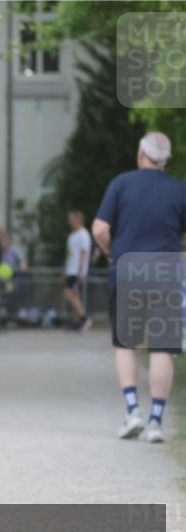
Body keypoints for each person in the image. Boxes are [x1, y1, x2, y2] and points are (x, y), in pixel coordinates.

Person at [92, 131, 186, 443]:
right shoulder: (179, 190)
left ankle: (132, 411)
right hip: (166, 274)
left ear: (140, 154)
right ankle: (156, 421)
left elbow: (100, 229)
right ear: (166, 160)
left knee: (126, 344)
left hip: (128, 270)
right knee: (162, 348)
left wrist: (111, 253)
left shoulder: (121, 184)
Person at [62, 210, 91, 332]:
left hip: (76, 270)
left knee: (68, 293)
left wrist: (81, 271)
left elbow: (84, 253)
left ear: (78, 220)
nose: (70, 222)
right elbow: (69, 254)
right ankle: (77, 321)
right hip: (70, 270)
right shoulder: (72, 235)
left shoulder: (83, 235)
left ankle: (84, 318)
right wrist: (65, 269)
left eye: (72, 219)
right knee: (75, 296)